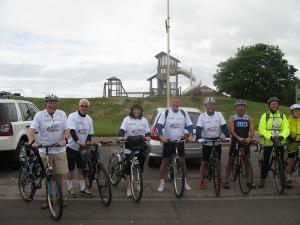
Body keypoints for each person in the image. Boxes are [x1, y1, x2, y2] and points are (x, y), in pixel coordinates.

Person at [28, 94, 69, 209]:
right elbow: (32, 130)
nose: (52, 105)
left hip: (59, 149)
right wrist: (32, 142)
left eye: (54, 102)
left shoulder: (62, 114)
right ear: (45, 103)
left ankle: (60, 198)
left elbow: (67, 129)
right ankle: (48, 200)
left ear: (57, 104)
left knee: (60, 175)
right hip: (44, 149)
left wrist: (64, 139)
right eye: (49, 102)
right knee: (49, 176)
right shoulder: (39, 115)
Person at [156, 96, 194, 192]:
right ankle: (162, 182)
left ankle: (184, 181)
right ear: (171, 103)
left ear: (179, 103)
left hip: (179, 141)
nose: (175, 104)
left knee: (182, 162)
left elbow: (189, 125)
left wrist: (191, 134)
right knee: (164, 163)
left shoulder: (183, 112)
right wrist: (161, 136)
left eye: (177, 102)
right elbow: (159, 125)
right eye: (174, 102)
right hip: (168, 141)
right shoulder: (166, 112)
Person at [196, 97, 230, 189]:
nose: (210, 106)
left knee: (218, 162)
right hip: (206, 141)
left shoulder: (219, 115)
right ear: (205, 106)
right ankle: (202, 180)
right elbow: (198, 129)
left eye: (211, 104)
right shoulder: (202, 116)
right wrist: (199, 138)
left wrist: (227, 136)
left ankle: (219, 180)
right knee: (204, 162)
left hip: (217, 141)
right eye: (208, 105)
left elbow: (224, 126)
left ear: (214, 106)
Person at [117, 104, 150, 197]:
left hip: (140, 145)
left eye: (139, 109)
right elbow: (122, 129)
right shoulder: (127, 119)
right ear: (132, 110)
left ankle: (137, 183)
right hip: (129, 144)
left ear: (141, 111)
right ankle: (129, 187)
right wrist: (120, 136)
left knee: (139, 166)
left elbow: (147, 130)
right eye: (135, 109)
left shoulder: (144, 120)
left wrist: (148, 136)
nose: (137, 111)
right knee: (128, 168)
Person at [258, 96, 290, 188]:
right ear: (269, 105)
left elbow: (286, 128)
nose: (274, 105)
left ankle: (282, 179)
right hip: (268, 141)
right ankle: (262, 178)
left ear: (278, 105)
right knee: (266, 161)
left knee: (281, 161)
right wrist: (270, 137)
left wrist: (282, 136)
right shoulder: (265, 115)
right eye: (272, 104)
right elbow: (261, 128)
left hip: (279, 140)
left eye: (276, 104)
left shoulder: (282, 115)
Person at [223, 99, 256, 189]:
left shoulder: (249, 118)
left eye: (242, 106)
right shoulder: (232, 118)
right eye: (239, 106)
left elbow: (252, 131)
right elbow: (232, 131)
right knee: (231, 160)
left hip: (245, 141)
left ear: (244, 108)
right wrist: (238, 138)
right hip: (236, 141)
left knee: (246, 161)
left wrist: (250, 138)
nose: (240, 108)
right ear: (236, 108)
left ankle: (249, 181)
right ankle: (227, 180)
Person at [66, 99, 94, 197]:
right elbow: (72, 131)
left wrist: (88, 142)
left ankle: (82, 188)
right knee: (70, 169)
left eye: (86, 106)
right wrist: (78, 141)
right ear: (78, 106)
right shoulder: (72, 116)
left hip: (82, 148)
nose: (84, 108)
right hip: (71, 147)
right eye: (82, 106)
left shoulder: (89, 119)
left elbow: (90, 134)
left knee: (81, 168)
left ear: (88, 108)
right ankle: (70, 188)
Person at [285, 103, 300, 188]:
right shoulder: (288, 120)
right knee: (291, 160)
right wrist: (289, 137)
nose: (298, 112)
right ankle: (288, 177)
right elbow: (286, 130)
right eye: (296, 111)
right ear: (292, 112)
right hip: (292, 142)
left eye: (299, 111)